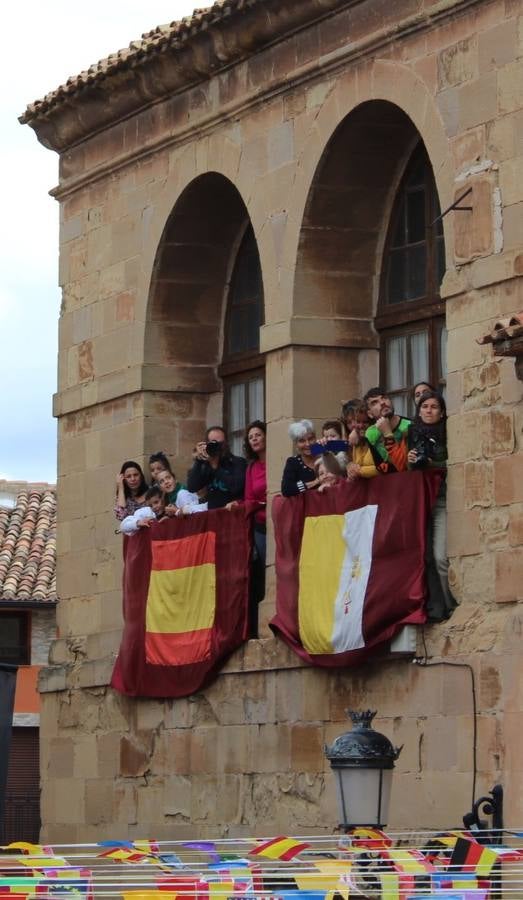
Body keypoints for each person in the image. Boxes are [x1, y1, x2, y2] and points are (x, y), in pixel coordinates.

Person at [408, 389, 457, 622]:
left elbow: (451, 461)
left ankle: (451, 605)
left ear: (442, 411)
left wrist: (432, 461)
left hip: (441, 499)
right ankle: (436, 608)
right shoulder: (412, 433)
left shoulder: (449, 433)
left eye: (434, 407)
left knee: (440, 558)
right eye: (424, 406)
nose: (429, 410)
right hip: (418, 502)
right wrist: (409, 461)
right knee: (423, 558)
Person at [187, 426, 247, 509]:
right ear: (207, 445)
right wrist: (199, 460)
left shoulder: (238, 462)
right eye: (213, 444)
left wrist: (216, 468)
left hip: (232, 515)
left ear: (227, 443)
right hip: (213, 516)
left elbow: (236, 487)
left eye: (221, 444)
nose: (218, 448)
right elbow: (192, 487)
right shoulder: (207, 465)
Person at [364, 387, 410, 474]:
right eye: (375, 402)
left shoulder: (409, 426)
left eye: (384, 398)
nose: (382, 403)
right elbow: (381, 467)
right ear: (370, 414)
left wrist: (387, 433)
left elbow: (404, 467)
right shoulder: (371, 433)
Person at [281, 420, 320, 496]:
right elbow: (286, 489)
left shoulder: (324, 455)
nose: (307, 444)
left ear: (315, 439)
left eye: (310, 439)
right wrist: (314, 483)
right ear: (296, 444)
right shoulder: (293, 462)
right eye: (302, 441)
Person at [345, 404, 378, 480]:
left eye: (365, 422)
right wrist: (350, 466)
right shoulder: (357, 439)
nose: (361, 425)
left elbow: (384, 468)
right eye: (358, 421)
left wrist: (359, 471)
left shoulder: (380, 438)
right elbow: (356, 464)